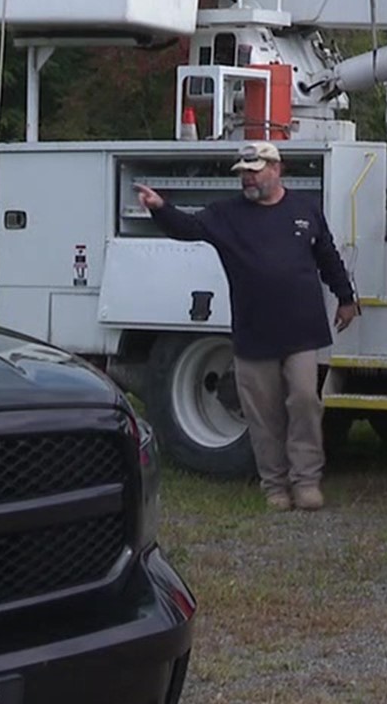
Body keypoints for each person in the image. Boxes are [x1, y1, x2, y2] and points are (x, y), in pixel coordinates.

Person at [134, 141, 360, 513]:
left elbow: (327, 256)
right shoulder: (227, 215)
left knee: (304, 400)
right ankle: (275, 485)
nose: (248, 178)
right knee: (263, 412)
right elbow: (188, 228)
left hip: (301, 328)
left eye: (254, 170)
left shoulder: (305, 209)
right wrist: (160, 209)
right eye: (243, 172)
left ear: (276, 169)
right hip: (254, 332)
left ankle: (307, 481)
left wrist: (346, 297)